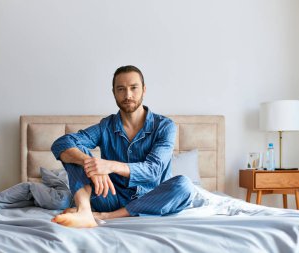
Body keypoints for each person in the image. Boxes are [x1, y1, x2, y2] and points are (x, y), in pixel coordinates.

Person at [51, 65, 195, 228]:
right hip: (109, 196)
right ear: (114, 92)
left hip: (152, 199)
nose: (128, 95)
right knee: (74, 152)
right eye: (121, 89)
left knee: (184, 186)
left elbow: (153, 170)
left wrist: (110, 166)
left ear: (144, 90)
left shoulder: (164, 126)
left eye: (134, 88)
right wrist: (89, 162)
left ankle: (107, 216)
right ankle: (84, 211)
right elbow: (61, 143)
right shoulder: (106, 126)